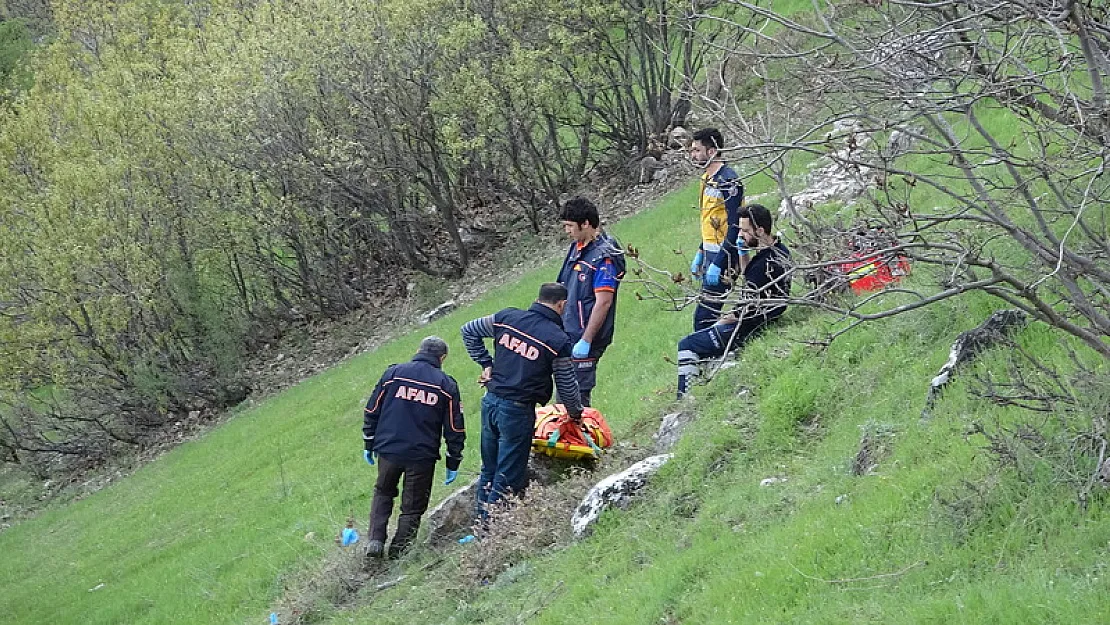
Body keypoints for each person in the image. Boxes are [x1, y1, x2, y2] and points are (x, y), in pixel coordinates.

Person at [460, 283, 584, 517]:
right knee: (508, 474)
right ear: (562, 305)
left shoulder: (507, 317)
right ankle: (490, 532)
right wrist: (575, 413)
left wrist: (486, 363)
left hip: (491, 403)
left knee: (489, 468)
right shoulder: (557, 341)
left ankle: (480, 524)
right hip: (516, 411)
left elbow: (468, 330)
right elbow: (566, 385)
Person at [361, 336, 465, 559]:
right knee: (412, 507)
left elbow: (372, 410)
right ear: (442, 358)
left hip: (389, 448)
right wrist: (453, 460)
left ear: (418, 349)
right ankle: (399, 553)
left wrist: (369, 442)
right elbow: (454, 427)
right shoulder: (446, 385)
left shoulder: (392, 374)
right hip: (422, 455)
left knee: (383, 491)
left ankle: (375, 540)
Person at [677, 204, 791, 398]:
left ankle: (684, 397)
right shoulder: (779, 252)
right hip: (761, 318)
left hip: (746, 328)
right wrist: (743, 253)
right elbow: (751, 280)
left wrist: (718, 324)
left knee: (688, 344)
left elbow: (743, 311)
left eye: (746, 231)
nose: (742, 236)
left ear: (760, 231)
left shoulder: (764, 265)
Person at [556, 196, 626, 406]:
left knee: (575, 399)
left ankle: (582, 438)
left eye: (569, 226)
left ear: (586, 223)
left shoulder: (604, 257)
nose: (567, 231)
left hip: (585, 336)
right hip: (568, 332)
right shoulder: (577, 248)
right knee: (563, 396)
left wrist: (586, 340)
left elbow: (603, 302)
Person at [688, 127, 746, 332]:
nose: (692, 155)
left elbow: (734, 224)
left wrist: (720, 263)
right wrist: (701, 251)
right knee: (707, 313)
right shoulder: (706, 179)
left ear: (711, 151)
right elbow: (711, 219)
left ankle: (712, 353)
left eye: (696, 150)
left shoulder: (728, 181)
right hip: (710, 254)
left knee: (704, 316)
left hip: (726, 256)